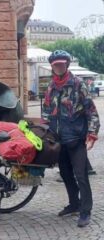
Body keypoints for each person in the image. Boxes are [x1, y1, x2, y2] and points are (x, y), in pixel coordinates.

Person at [42, 50, 100, 227]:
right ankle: (74, 204)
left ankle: (85, 210)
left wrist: (91, 135)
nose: (59, 67)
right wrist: (45, 133)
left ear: (66, 65)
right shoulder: (51, 87)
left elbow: (91, 111)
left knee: (81, 175)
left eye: (61, 64)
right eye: (55, 65)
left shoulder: (77, 84)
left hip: (76, 139)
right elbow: (45, 112)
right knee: (66, 174)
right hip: (58, 140)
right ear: (52, 67)